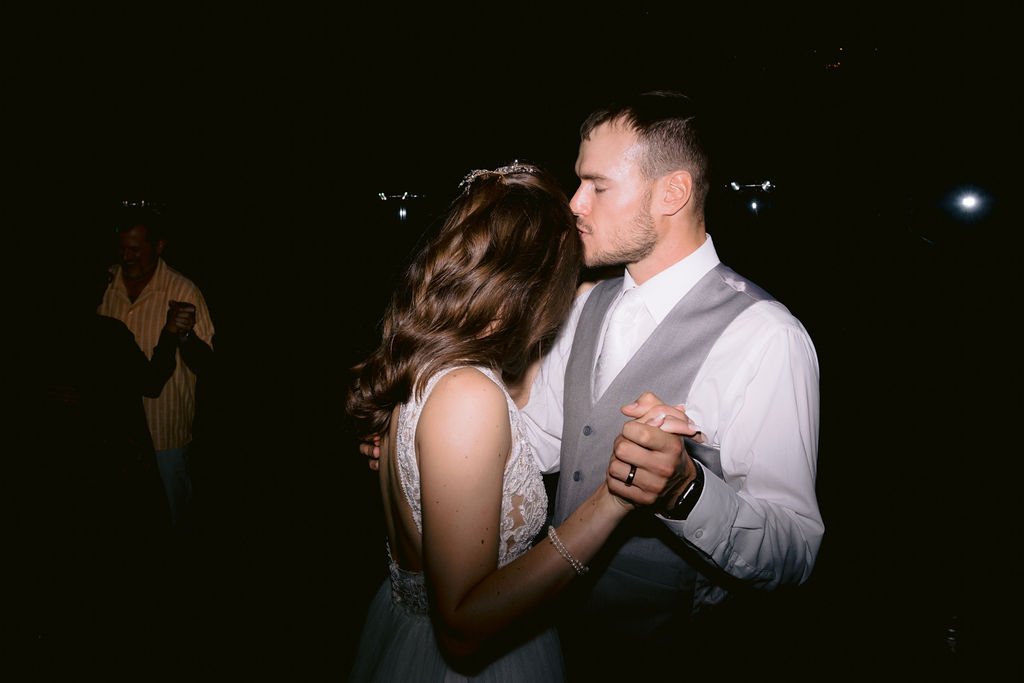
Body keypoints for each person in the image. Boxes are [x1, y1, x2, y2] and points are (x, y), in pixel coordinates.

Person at [364, 92, 823, 679]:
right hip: (547, 630)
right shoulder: (582, 306)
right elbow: (535, 444)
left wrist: (687, 491)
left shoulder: (765, 337)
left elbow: (795, 551)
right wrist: (421, 447)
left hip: (672, 653)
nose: (575, 203)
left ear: (672, 193)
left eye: (596, 186)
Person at [345, 162, 688, 681]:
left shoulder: (426, 362)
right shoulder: (467, 395)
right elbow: (462, 626)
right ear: (535, 285)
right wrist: (611, 501)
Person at [97, 203, 215, 536]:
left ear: (158, 247)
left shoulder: (183, 291)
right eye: (121, 248)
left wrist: (187, 334)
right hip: (112, 431)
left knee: (172, 517)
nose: (126, 256)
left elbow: (207, 365)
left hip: (164, 432)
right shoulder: (102, 284)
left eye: (135, 248)